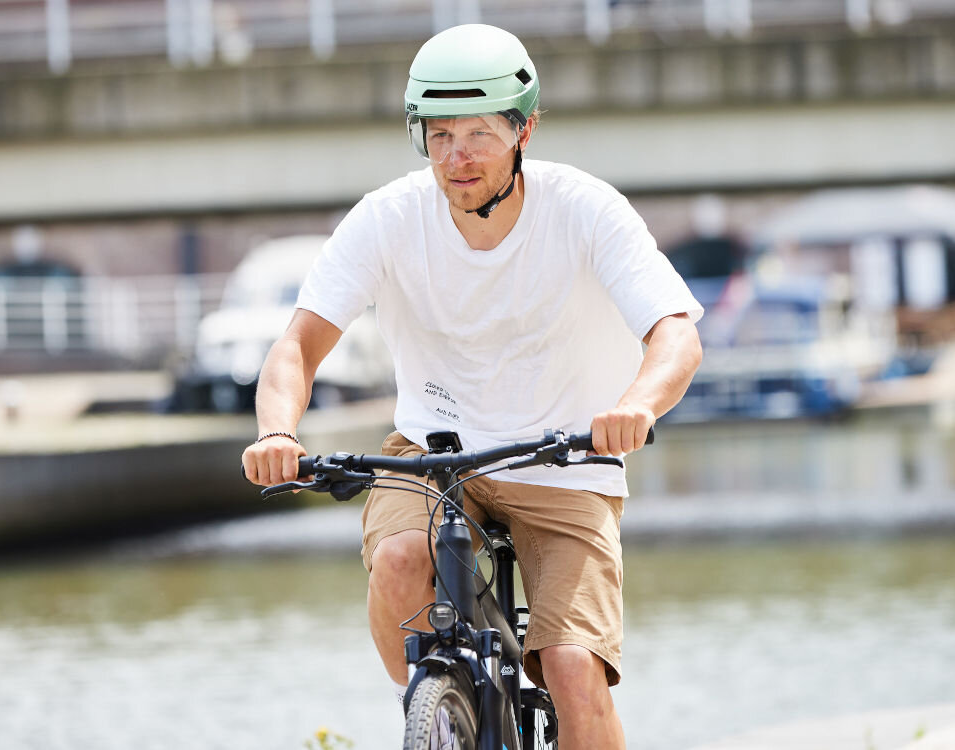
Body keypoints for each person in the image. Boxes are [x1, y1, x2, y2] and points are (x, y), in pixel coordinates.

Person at [242, 23, 703, 749]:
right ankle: (434, 719)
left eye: (480, 134)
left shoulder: (585, 210)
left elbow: (676, 336)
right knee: (397, 561)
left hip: (566, 460)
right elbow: (297, 348)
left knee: (572, 667)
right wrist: (276, 432)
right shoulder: (388, 218)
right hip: (434, 454)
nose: (457, 157)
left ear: (526, 130)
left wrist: (636, 406)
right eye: (440, 134)